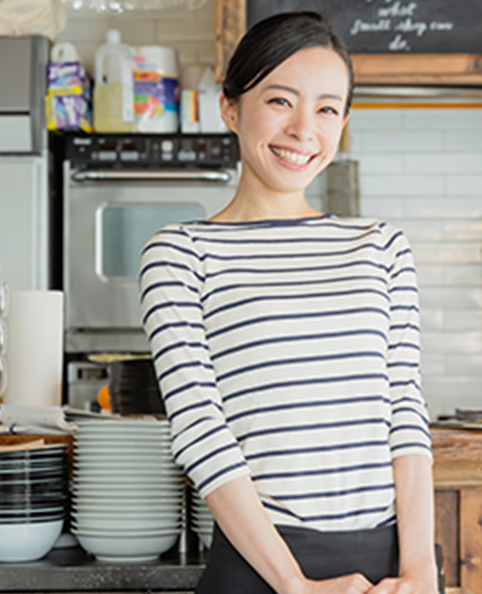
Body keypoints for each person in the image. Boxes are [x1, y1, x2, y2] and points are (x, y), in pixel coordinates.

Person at [139, 12, 438, 594]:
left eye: (327, 108)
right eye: (280, 100)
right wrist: (295, 587)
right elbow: (202, 431)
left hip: (393, 566)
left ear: (344, 122)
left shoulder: (381, 247)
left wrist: (420, 571)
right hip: (262, 568)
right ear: (230, 108)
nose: (304, 129)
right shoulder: (181, 253)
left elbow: (404, 411)